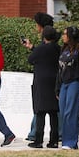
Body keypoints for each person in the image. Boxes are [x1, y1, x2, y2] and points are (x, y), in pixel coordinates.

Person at [21, 12, 60, 141]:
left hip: (42, 83)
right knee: (54, 112)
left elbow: (32, 59)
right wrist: (32, 47)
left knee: (40, 111)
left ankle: (37, 138)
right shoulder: (58, 48)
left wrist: (34, 49)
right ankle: (53, 140)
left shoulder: (41, 48)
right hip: (55, 82)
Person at [56, 26, 79, 150]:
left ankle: (70, 142)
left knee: (70, 113)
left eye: (65, 34)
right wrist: (57, 88)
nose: (63, 36)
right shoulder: (64, 49)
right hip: (64, 84)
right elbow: (59, 70)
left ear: (71, 35)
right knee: (63, 113)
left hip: (75, 83)